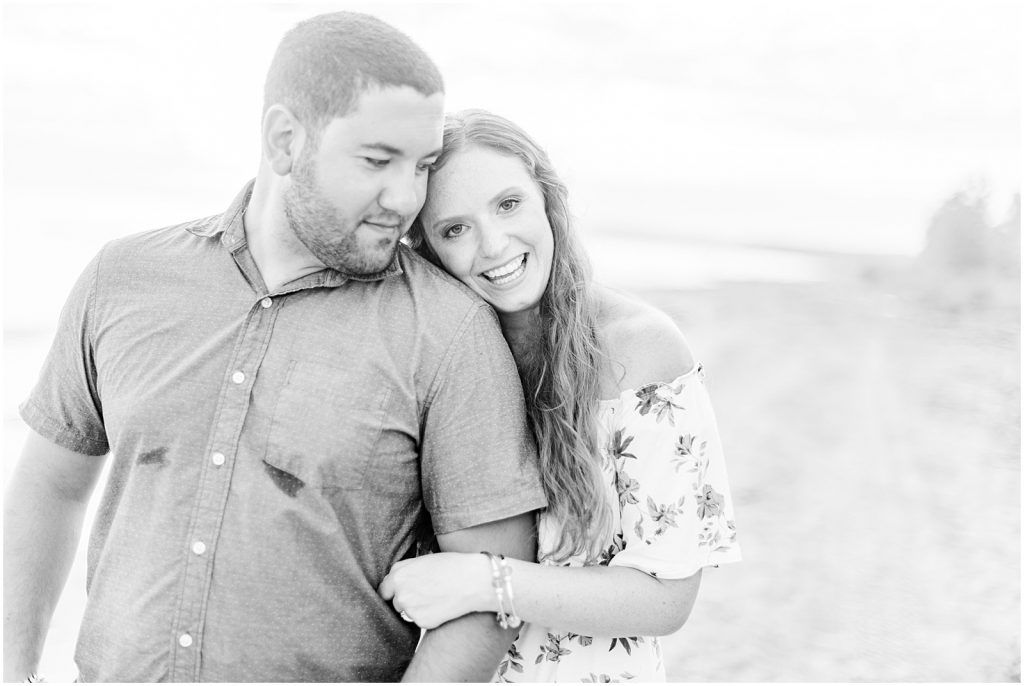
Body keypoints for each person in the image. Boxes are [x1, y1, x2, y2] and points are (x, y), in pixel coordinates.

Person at [3, 15, 548, 683]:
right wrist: (14, 666)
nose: (406, 198)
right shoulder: (123, 277)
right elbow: (52, 486)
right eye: (378, 161)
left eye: (424, 165)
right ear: (286, 140)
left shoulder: (450, 331)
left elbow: (488, 593)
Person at [380, 109, 741, 682]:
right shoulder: (435, 362)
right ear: (426, 249)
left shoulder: (642, 351)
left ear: (547, 199)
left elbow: (666, 598)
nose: (494, 245)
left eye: (508, 204)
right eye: (455, 229)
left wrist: (485, 580)